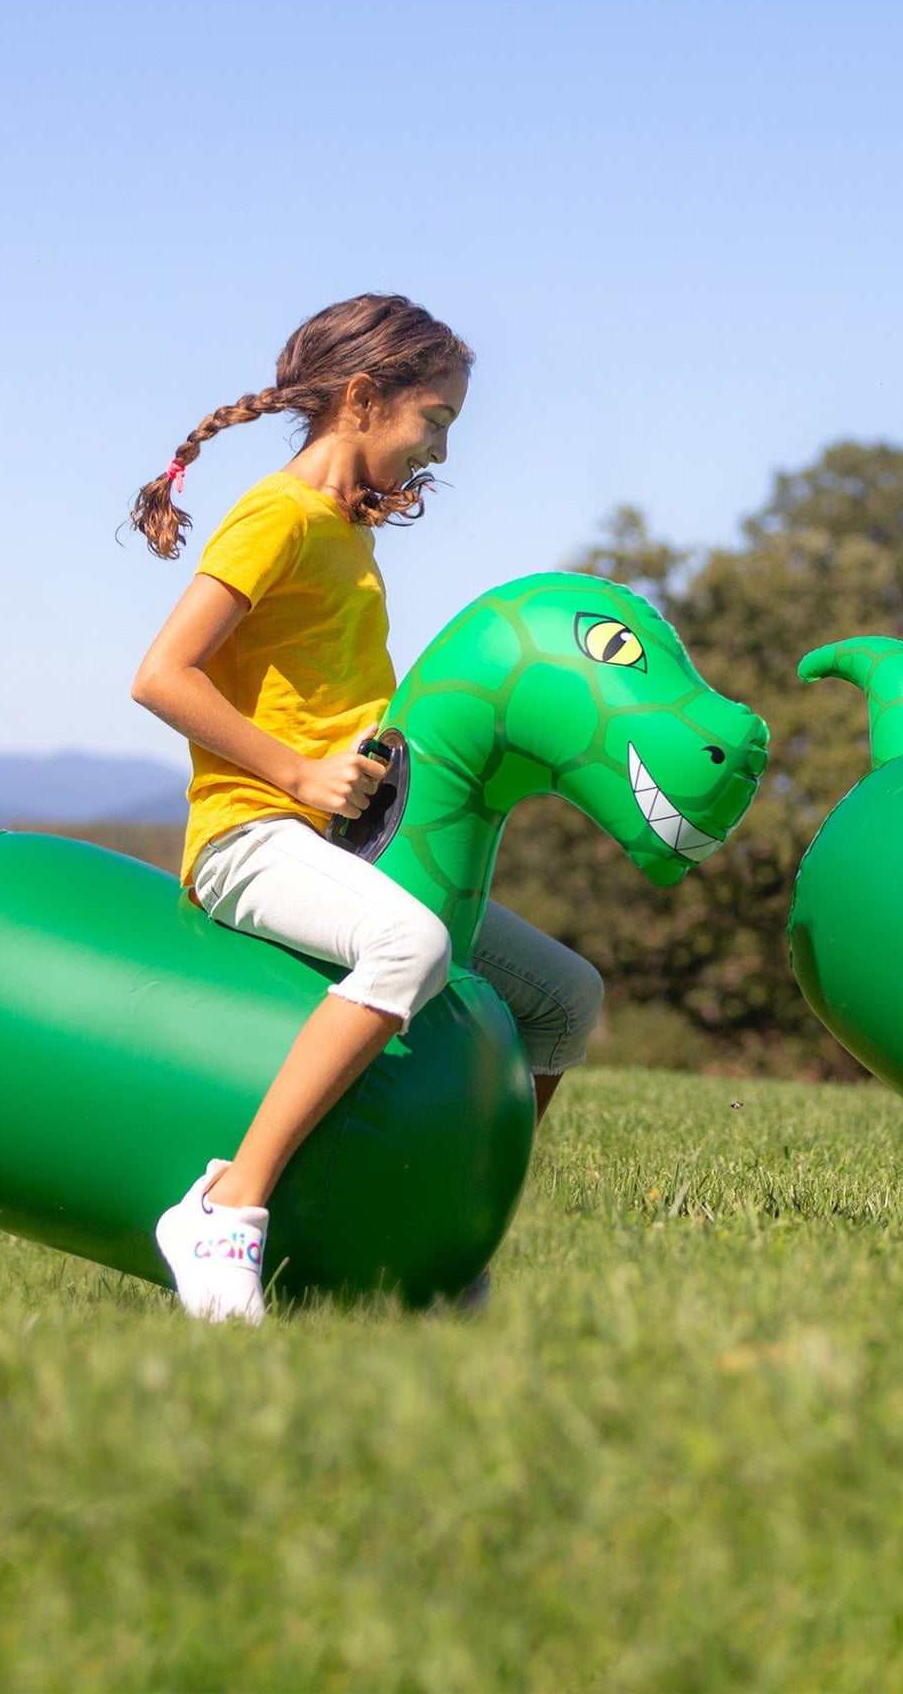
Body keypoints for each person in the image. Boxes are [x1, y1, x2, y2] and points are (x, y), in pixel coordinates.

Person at [127, 294, 601, 1323]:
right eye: (432, 419)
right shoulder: (279, 515)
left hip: (345, 840)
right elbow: (162, 675)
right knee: (409, 942)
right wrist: (297, 774)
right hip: (250, 836)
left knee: (565, 997)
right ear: (359, 398)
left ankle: (451, 1227)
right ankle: (225, 1207)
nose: (437, 445)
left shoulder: (346, 529)